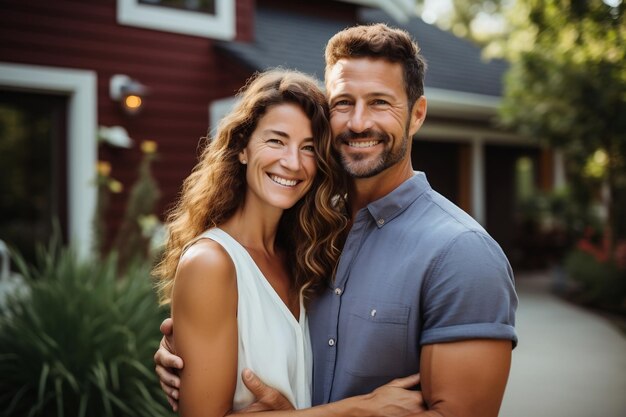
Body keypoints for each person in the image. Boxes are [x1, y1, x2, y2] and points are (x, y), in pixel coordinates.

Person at [156, 23, 518, 417]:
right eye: (343, 103)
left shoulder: (461, 253)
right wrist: (193, 358)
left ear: (417, 115)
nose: (359, 122)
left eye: (380, 102)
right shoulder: (313, 237)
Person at [153, 68, 425, 416]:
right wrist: (363, 409)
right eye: (276, 140)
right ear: (242, 149)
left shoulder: (304, 255)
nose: (292, 162)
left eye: (309, 148)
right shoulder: (212, 263)